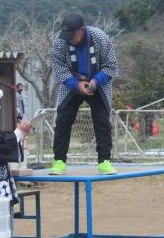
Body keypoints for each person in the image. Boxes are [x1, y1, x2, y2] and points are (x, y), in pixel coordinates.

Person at [50, 13, 119, 175]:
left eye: (72, 35)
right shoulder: (60, 41)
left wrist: (95, 82)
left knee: (102, 120)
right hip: (72, 82)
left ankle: (104, 161)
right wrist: (76, 84)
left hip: (98, 81)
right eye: (66, 35)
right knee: (63, 119)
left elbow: (111, 66)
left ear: (81, 30)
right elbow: (59, 68)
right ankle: (59, 161)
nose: (69, 39)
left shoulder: (99, 37)